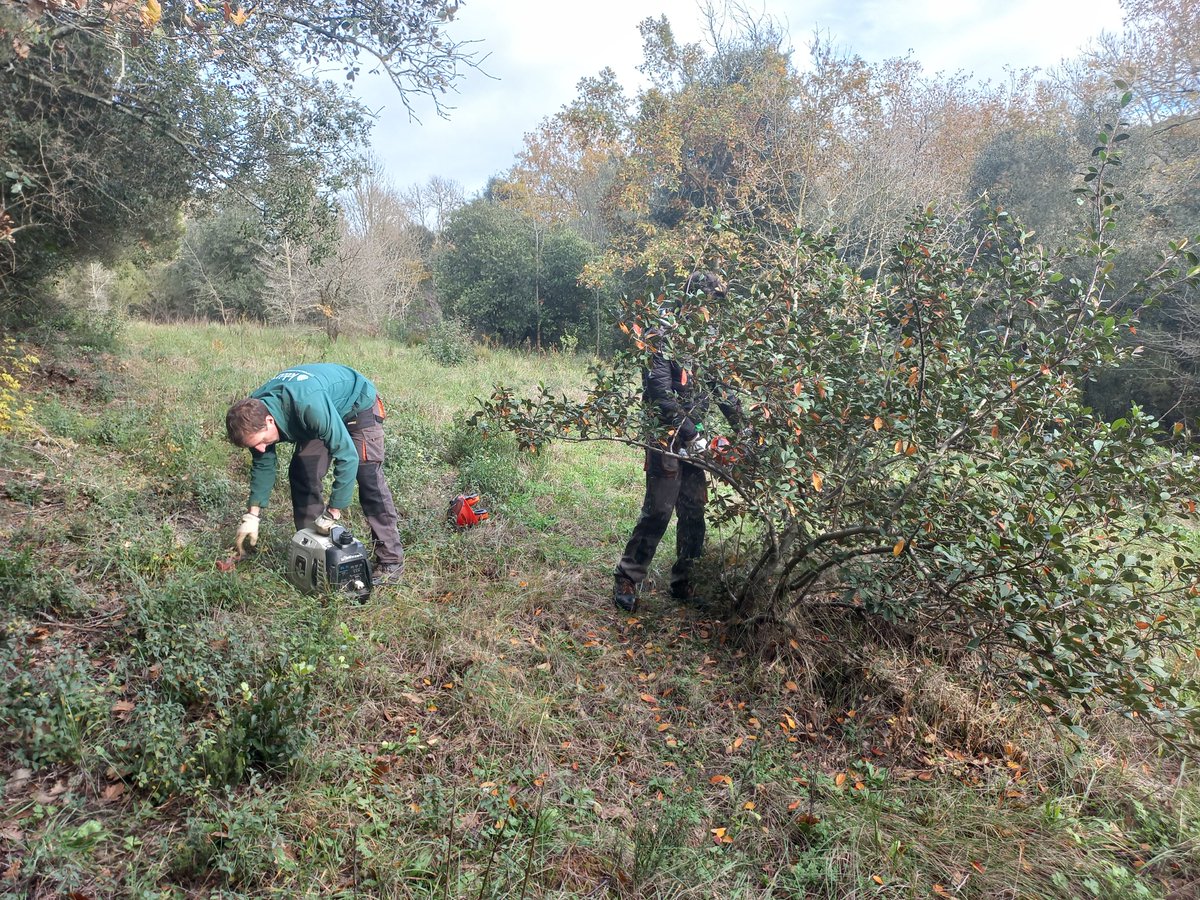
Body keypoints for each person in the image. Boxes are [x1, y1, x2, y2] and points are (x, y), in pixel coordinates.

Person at [612, 272, 742, 612]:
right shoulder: (661, 334)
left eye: (716, 304)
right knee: (659, 509)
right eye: (709, 302)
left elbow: (723, 390)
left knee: (694, 509)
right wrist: (690, 435)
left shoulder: (710, 340)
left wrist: (745, 430)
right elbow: (658, 392)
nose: (712, 310)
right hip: (665, 435)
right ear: (691, 300)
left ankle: (685, 580)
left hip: (696, 437)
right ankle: (628, 576)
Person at [225, 363, 405, 584]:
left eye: (262, 442)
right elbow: (264, 464)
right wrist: (252, 516)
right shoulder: (253, 412)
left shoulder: (308, 406)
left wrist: (332, 513)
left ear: (269, 421)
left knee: (368, 478)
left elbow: (347, 456)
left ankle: (391, 561)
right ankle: (317, 554)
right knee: (303, 473)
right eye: (254, 446)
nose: (260, 448)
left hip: (357, 405)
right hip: (321, 410)